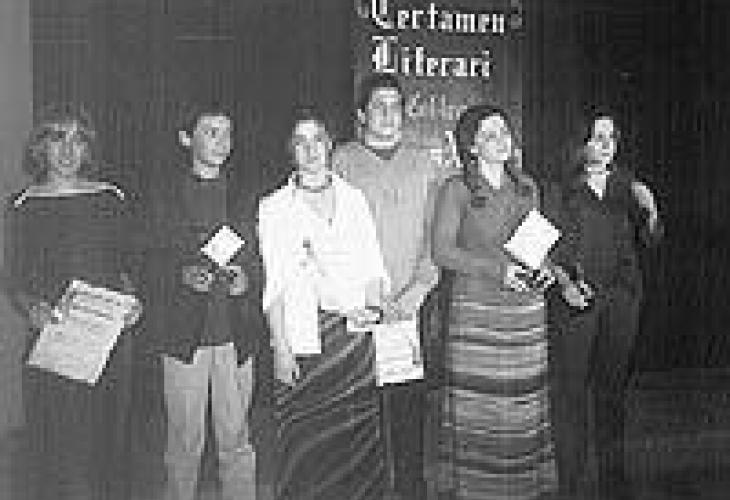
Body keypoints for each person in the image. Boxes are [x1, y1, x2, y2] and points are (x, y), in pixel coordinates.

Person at [3, 103, 142, 500]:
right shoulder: (22, 206)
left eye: (78, 140)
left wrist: (133, 300)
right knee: (57, 450)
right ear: (40, 147)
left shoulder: (111, 198)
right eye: (57, 138)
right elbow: (13, 276)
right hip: (53, 340)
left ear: (88, 148)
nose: (67, 150)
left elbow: (128, 266)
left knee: (109, 446)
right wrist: (30, 307)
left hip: (107, 340)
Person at [258, 108, 390, 500]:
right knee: (306, 444)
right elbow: (274, 286)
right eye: (301, 142)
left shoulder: (354, 199)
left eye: (318, 139)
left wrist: (373, 308)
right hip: (304, 339)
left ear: (330, 145)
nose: (311, 149)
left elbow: (373, 265)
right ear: (290, 150)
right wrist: (280, 349)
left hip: (353, 338)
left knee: (356, 441)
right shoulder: (274, 207)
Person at [431, 104, 559, 500]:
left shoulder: (527, 187)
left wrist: (545, 270)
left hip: (525, 315)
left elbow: (534, 247)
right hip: (477, 314)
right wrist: (497, 271)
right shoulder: (456, 189)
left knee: (522, 407)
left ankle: (521, 487)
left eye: (504, 131)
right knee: (480, 409)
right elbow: (442, 252)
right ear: (471, 146)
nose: (501, 140)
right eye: (489, 134)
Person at [331, 74, 444, 500]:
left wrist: (418, 290)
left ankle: (413, 490)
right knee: (360, 419)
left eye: (395, 105)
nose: (387, 114)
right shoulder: (342, 161)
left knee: (408, 412)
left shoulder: (424, 163)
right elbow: (329, 237)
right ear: (361, 115)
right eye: (378, 105)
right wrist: (358, 293)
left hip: (409, 309)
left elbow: (436, 236)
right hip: (360, 308)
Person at [544, 112, 661, 500]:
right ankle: (571, 484)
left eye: (612, 136)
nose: (607, 144)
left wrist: (651, 210)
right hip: (577, 299)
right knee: (571, 394)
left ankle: (614, 481)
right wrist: (565, 284)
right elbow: (548, 249)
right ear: (581, 143)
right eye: (598, 136)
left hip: (621, 300)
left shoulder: (628, 186)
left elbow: (651, 240)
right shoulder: (560, 189)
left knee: (612, 394)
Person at [149, 104, 263, 500]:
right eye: (211, 132)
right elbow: (145, 262)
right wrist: (179, 275)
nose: (222, 142)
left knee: (237, 440)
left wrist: (248, 280)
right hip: (184, 337)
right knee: (184, 443)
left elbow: (263, 259)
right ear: (186, 138)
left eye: (227, 133)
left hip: (236, 335)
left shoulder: (247, 196)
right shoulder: (162, 197)